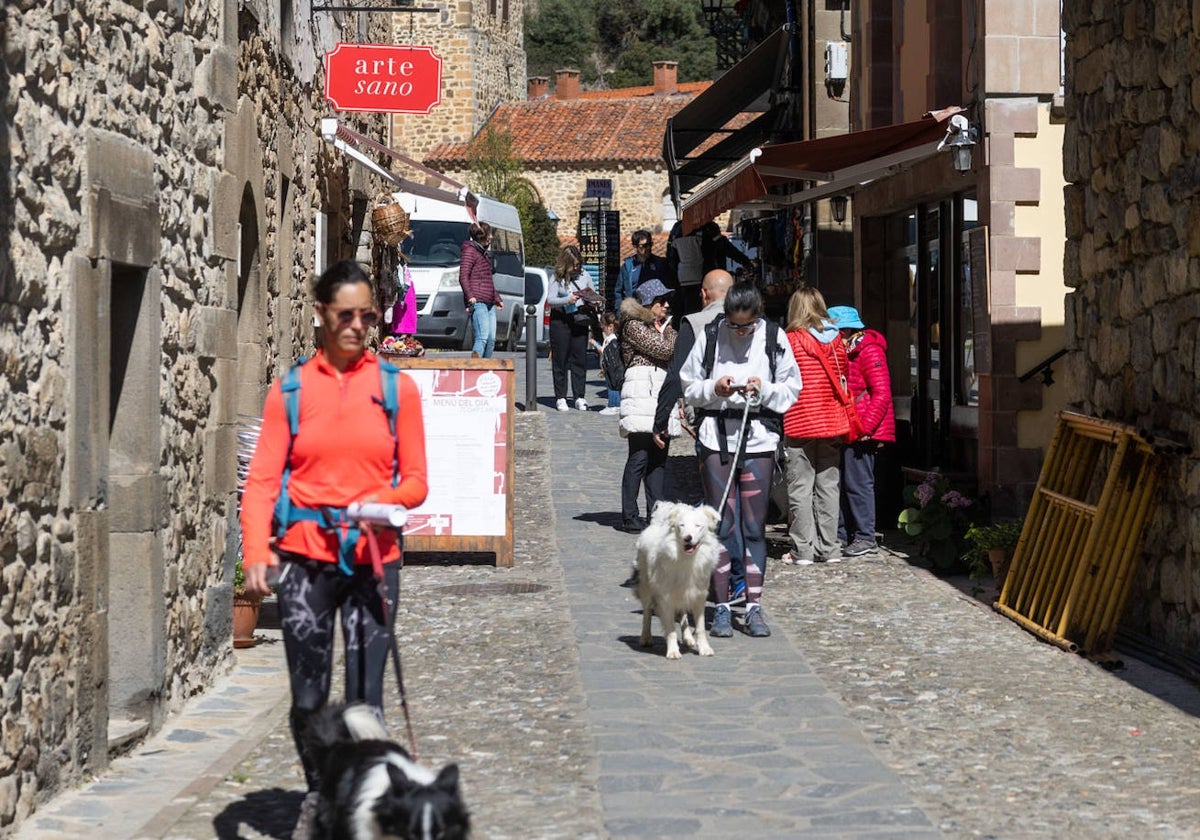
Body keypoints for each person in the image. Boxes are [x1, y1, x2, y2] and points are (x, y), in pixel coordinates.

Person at [238, 260, 429, 838]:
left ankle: (355, 803)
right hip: (306, 562)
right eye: (343, 314)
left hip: (375, 560)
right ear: (320, 314)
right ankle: (321, 791)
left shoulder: (398, 390)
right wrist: (255, 551)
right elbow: (264, 481)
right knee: (311, 698)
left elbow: (417, 481)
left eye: (366, 315)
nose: (356, 326)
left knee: (364, 701)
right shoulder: (290, 393)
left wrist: (379, 500)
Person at [680, 282, 801, 637]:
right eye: (734, 325)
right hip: (716, 438)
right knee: (721, 526)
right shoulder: (713, 335)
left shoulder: (774, 338)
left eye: (746, 326)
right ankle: (720, 608)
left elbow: (792, 388)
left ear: (758, 317)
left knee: (753, 527)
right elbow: (689, 384)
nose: (740, 332)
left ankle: (753, 607)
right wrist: (713, 388)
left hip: (759, 438)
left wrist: (762, 389)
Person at [780, 286, 854, 566]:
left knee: (800, 487)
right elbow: (843, 375)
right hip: (831, 420)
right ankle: (830, 548)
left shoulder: (790, 340)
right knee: (828, 486)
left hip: (800, 420)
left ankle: (803, 550)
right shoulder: (837, 340)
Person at [828, 305, 895, 556]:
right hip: (852, 427)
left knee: (858, 483)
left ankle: (866, 537)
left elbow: (882, 394)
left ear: (844, 331)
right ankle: (844, 535)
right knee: (846, 482)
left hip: (863, 429)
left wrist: (865, 427)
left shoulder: (869, 350)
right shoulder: (850, 350)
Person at [617, 278, 678, 533]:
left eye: (667, 301)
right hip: (641, 392)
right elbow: (664, 350)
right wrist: (668, 332)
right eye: (660, 301)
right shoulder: (633, 324)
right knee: (639, 456)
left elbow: (674, 348)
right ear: (647, 303)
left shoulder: (664, 327)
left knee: (659, 458)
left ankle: (657, 513)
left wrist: (667, 331)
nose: (666, 305)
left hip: (662, 392)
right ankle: (630, 515)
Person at [547, 244, 597, 411]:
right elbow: (551, 300)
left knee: (579, 358)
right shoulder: (557, 278)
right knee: (560, 358)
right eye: (574, 264)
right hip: (561, 319)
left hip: (579, 319)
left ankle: (579, 396)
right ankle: (560, 396)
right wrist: (566, 300)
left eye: (578, 264)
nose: (577, 267)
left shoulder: (585, 275)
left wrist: (592, 300)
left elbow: (592, 292)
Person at [459, 221, 503, 358]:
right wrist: (470, 296)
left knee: (491, 340)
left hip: (489, 302)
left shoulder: (483, 253)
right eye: (489, 234)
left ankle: (486, 368)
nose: (491, 237)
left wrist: (497, 298)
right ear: (482, 236)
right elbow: (463, 276)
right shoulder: (470, 251)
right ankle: (476, 367)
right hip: (478, 301)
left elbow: (487, 278)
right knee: (482, 337)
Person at [613, 229, 670, 310]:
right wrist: (619, 313)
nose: (648, 248)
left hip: (655, 311)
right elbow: (618, 292)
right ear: (635, 246)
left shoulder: (660, 264)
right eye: (643, 246)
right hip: (633, 310)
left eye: (650, 244)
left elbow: (668, 286)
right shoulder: (627, 267)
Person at [591, 309, 622, 415]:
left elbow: (606, 352)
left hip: (612, 370)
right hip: (609, 368)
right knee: (611, 386)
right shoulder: (609, 339)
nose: (602, 329)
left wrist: (595, 344)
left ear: (610, 327)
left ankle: (614, 405)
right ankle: (614, 405)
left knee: (613, 387)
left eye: (603, 327)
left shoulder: (612, 340)